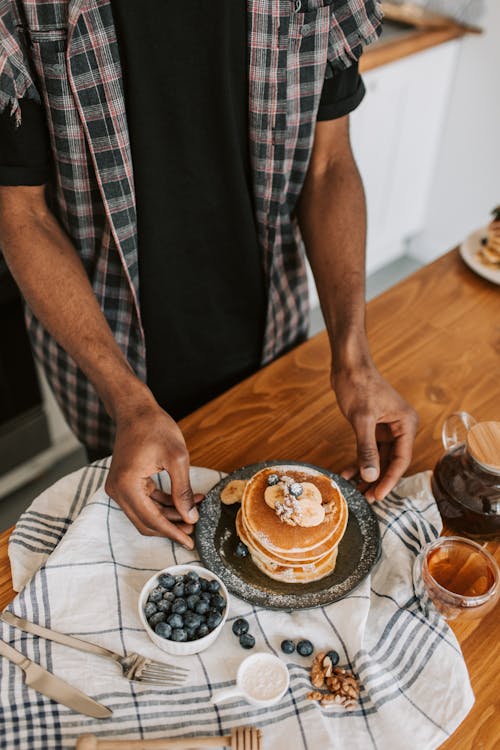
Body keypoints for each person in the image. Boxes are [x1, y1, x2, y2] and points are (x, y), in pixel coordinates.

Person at [0, 0, 417, 549]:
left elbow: (329, 163)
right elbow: (22, 214)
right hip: (112, 369)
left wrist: (354, 356)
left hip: (273, 342)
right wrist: (129, 403)